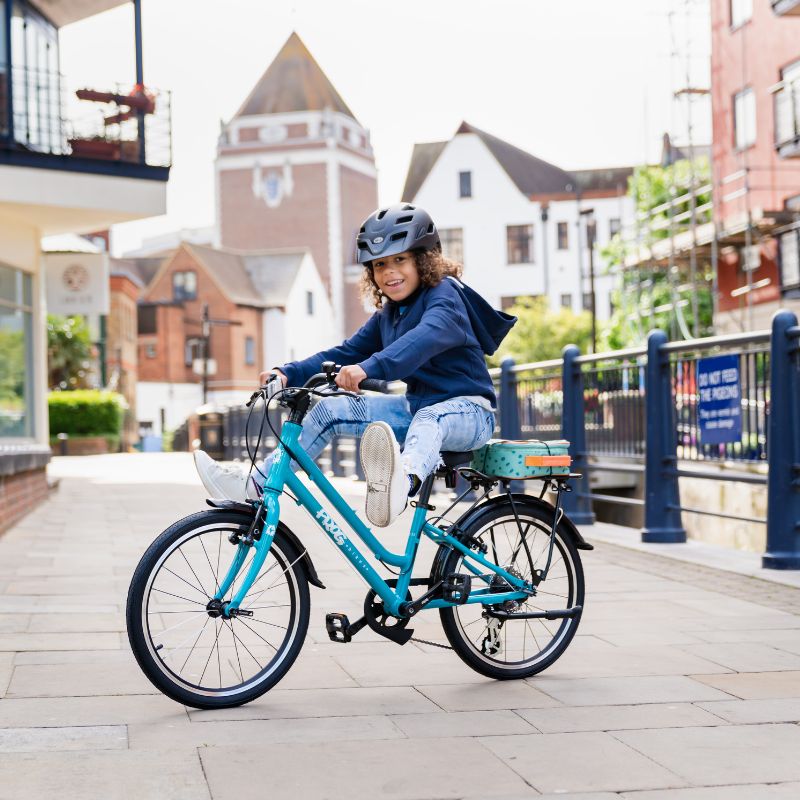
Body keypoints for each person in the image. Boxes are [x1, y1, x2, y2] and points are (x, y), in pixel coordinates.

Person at [194, 203, 516, 527]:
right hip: (415, 409)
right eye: (379, 265)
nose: (389, 272)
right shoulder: (390, 314)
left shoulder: (446, 298)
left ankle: (401, 486)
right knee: (328, 411)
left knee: (431, 417)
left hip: (470, 413)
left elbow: (423, 339)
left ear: (423, 259)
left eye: (400, 260)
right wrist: (288, 373)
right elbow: (347, 350)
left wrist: (370, 367)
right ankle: (255, 484)